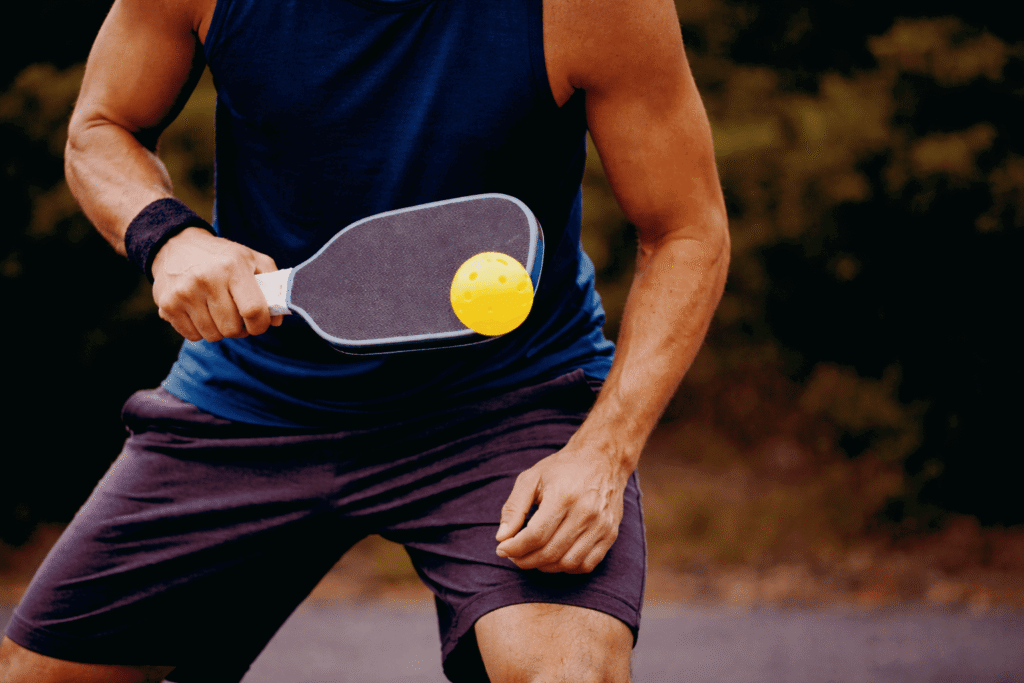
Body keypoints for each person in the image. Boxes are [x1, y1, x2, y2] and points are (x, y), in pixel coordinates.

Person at [0, 0, 729, 678]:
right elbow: (100, 126)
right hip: (253, 398)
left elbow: (686, 231)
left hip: (508, 404)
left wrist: (604, 450)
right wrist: (167, 237)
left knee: (566, 670)